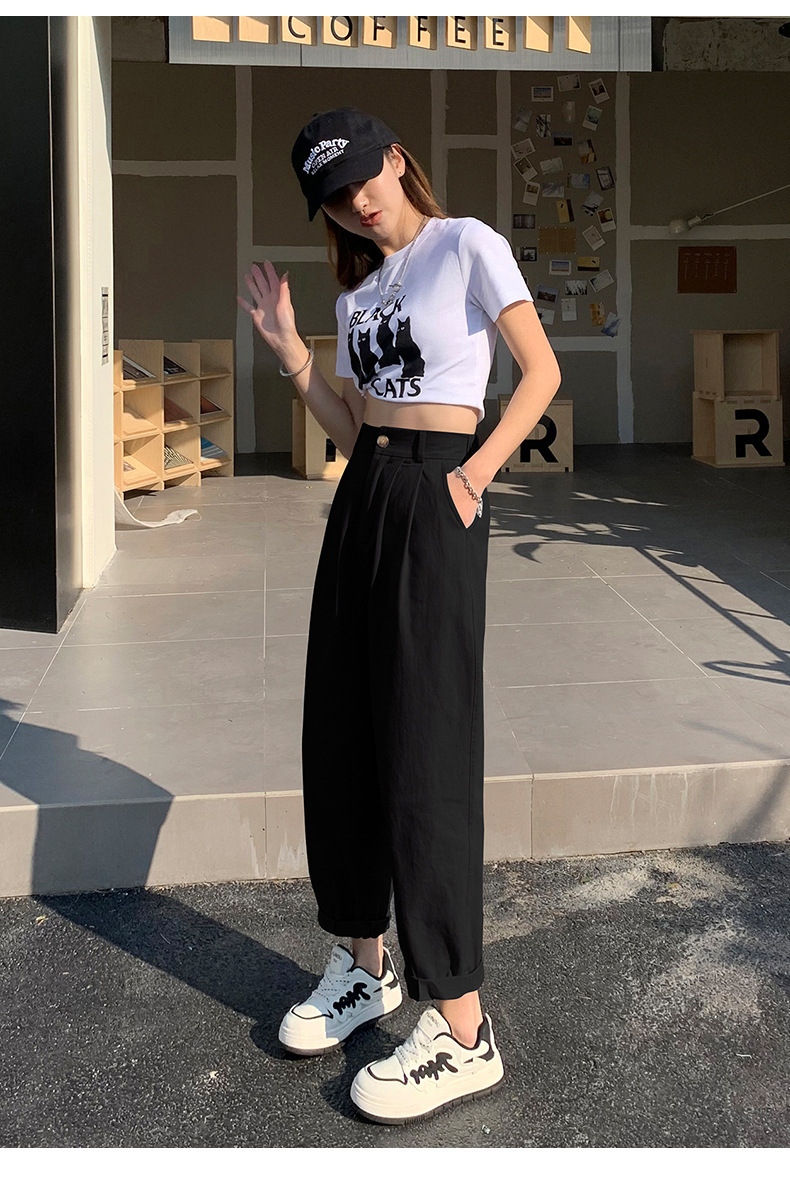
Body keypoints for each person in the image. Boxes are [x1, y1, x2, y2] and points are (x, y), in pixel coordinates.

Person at [238, 106, 561, 1126]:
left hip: (438, 489)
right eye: (333, 197)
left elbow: (541, 372)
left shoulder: (467, 244)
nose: (355, 202)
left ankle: (463, 1027)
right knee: (341, 729)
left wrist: (472, 476)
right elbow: (352, 423)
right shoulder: (359, 290)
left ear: (394, 158)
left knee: (425, 746)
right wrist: (291, 351)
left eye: (360, 178)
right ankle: (364, 964)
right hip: (366, 492)